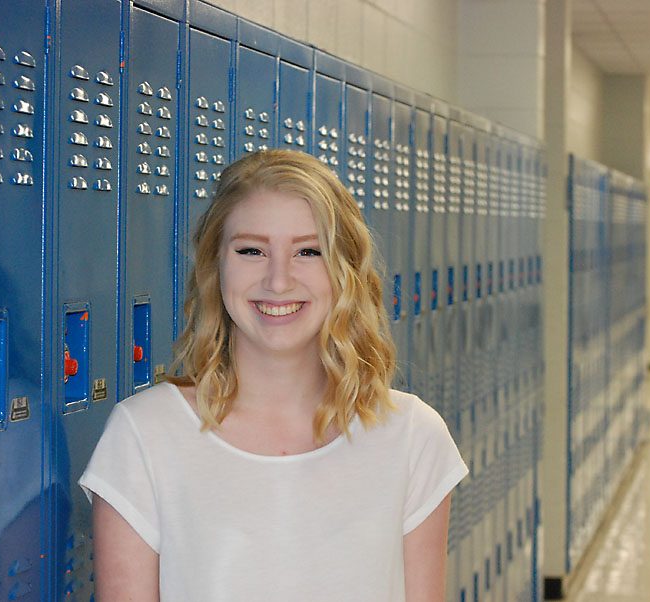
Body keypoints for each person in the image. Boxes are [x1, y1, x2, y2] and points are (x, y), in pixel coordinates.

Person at [79, 149, 468, 601]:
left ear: (345, 271)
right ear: (214, 265)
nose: (278, 280)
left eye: (308, 251)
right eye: (251, 250)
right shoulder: (144, 436)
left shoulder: (412, 437)